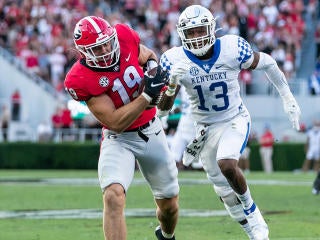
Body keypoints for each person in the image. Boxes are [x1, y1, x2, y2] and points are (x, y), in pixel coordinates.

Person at [158, 5, 301, 240]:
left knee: (227, 163)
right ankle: (253, 233)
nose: (196, 36)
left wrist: (287, 97)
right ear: (182, 34)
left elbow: (267, 62)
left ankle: (253, 213)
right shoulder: (173, 59)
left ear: (212, 28)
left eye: (200, 30)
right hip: (204, 130)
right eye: (191, 32)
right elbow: (162, 111)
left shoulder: (231, 48)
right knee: (224, 192)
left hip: (234, 119)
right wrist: (172, 84)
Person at [64, 16, 179, 240]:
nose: (106, 49)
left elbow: (148, 55)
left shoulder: (124, 35)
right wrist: (147, 94)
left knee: (169, 206)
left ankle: (166, 235)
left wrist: (153, 71)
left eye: (107, 42)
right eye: (97, 48)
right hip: (119, 139)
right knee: (113, 196)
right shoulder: (78, 78)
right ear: (83, 52)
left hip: (152, 130)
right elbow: (115, 122)